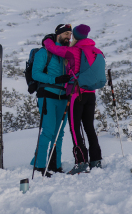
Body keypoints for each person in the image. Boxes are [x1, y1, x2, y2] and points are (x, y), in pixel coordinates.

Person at [43, 24, 103, 175]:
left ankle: (81, 162)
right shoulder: (96, 50)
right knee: (89, 127)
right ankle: (96, 160)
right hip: (91, 93)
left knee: (75, 128)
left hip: (76, 94)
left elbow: (54, 49)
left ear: (75, 36)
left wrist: (47, 40)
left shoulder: (74, 51)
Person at [30, 23, 72, 177]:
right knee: (48, 131)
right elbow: (36, 74)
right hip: (47, 95)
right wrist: (56, 79)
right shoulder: (44, 52)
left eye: (70, 34)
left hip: (63, 97)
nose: (68, 36)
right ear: (58, 34)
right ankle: (40, 166)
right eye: (66, 33)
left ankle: (55, 164)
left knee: (59, 133)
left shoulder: (66, 53)